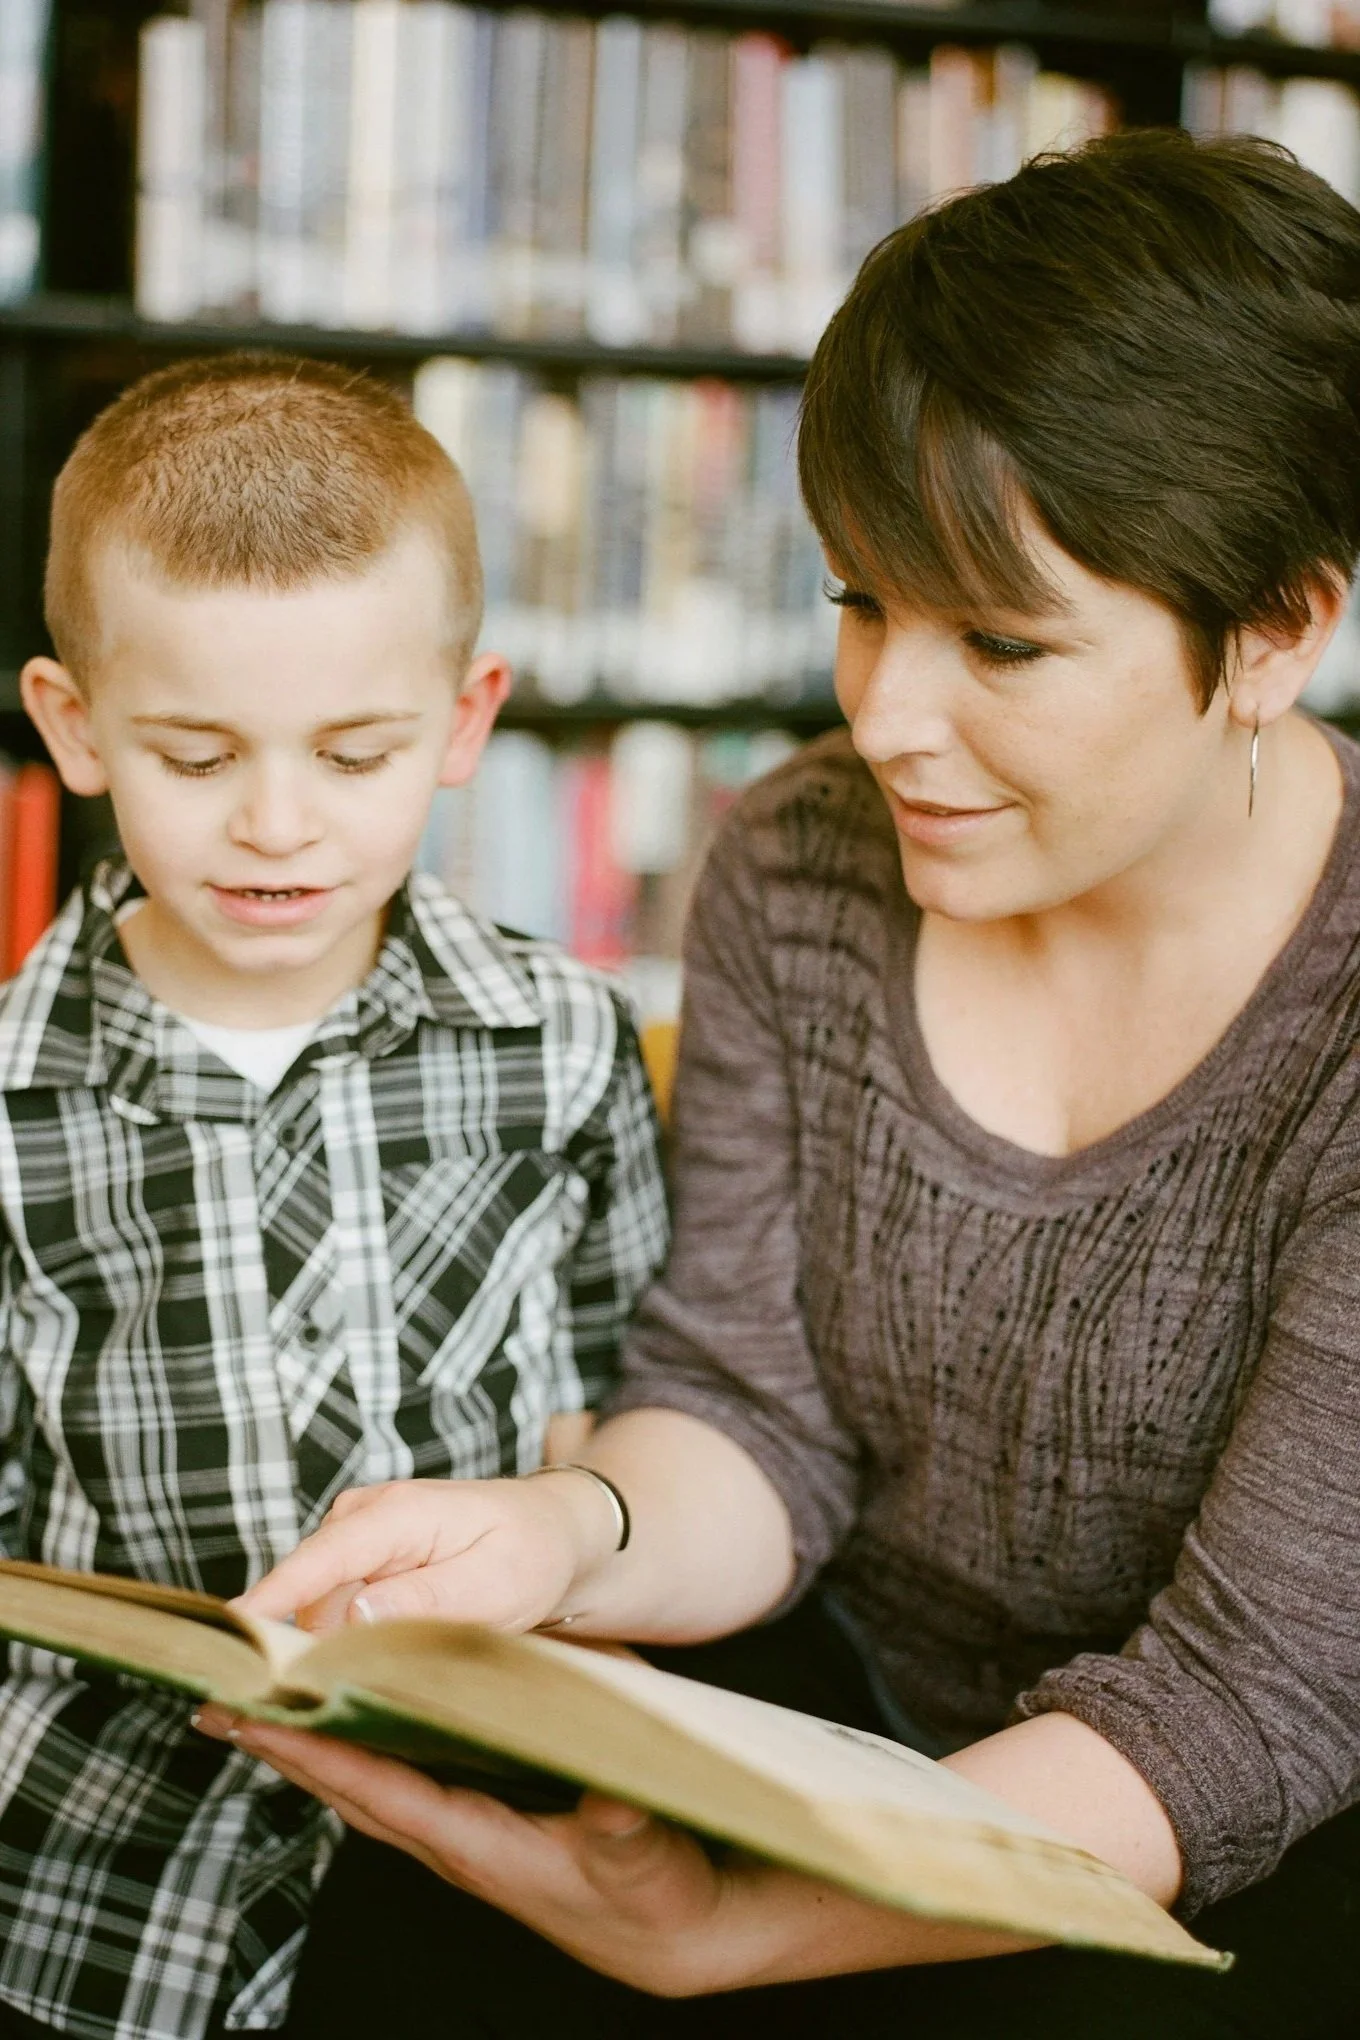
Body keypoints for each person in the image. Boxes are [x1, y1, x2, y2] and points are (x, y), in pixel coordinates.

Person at [210, 130, 1360, 2038]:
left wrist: (738, 1924)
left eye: (1001, 639)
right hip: (848, 1718)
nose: (887, 716)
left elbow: (1246, 1707)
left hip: (1227, 1849)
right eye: (861, 602)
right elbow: (757, 1417)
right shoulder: (803, 862)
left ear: (1276, 634)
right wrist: (560, 1535)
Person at [0, 354, 668, 2040]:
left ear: (464, 723)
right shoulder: (11, 1089)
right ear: (75, 730)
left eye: (356, 753)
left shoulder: (565, 1043)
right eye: (198, 754)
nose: (278, 824)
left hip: (480, 1850)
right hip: (94, 1871)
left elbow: (619, 1400)